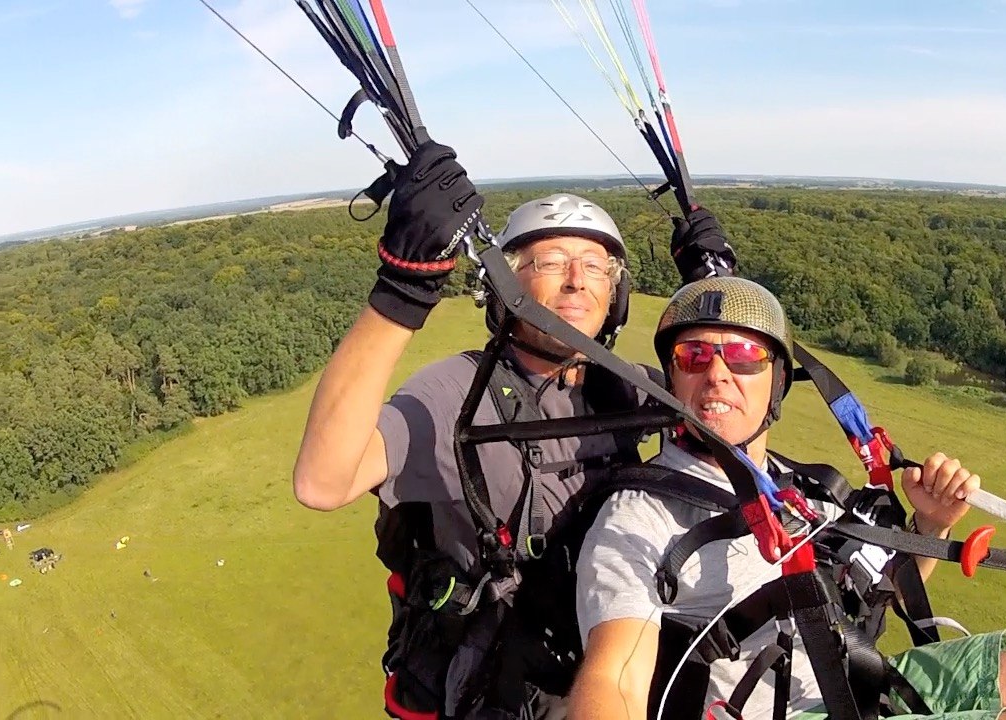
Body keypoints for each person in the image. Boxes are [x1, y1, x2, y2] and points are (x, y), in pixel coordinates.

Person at [290, 138, 736, 717]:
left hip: (614, 659)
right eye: (550, 262)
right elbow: (322, 482)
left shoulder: (624, 386)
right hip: (505, 685)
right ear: (505, 287)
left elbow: (734, 407)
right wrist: (403, 289)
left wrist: (720, 293)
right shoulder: (455, 393)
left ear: (615, 293)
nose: (577, 280)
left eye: (596, 266)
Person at [569, 276, 1006, 720]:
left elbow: (868, 598)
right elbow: (613, 679)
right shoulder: (639, 516)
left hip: (846, 682)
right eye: (694, 354)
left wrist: (930, 528)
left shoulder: (800, 489)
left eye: (746, 355)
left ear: (775, 382)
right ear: (674, 379)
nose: (718, 372)